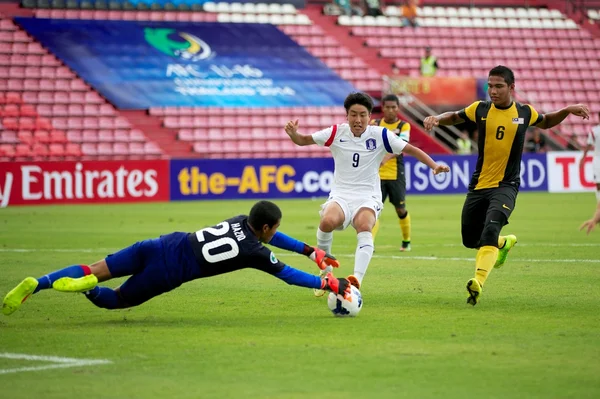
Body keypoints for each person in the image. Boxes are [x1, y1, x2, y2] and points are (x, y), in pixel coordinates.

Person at [423, 65, 590, 306]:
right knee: (470, 240)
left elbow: (546, 121)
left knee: (490, 230)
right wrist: (437, 118)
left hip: (506, 185)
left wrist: (566, 109)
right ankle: (504, 242)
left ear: (511, 88)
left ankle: (478, 282)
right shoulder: (480, 109)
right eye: (490, 86)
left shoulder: (523, 112)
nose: (493, 91)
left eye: (499, 86)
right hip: (479, 185)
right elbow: (456, 116)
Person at [2, 201, 351, 316]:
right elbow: (288, 274)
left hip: (160, 244)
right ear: (264, 227)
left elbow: (278, 241)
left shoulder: (236, 220)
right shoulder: (255, 252)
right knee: (116, 300)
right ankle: (86, 290)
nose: (275, 234)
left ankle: (44, 281)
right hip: (169, 272)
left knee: (97, 268)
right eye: (274, 229)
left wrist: (310, 250)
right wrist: (325, 281)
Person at [284, 92, 450, 293]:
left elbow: (411, 149)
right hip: (341, 194)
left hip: (368, 195)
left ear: (370, 116)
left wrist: (434, 165)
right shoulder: (336, 132)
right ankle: (326, 273)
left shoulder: (380, 135)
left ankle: (356, 280)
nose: (358, 119)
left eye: (363, 114)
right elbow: (303, 140)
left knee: (364, 225)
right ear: (347, 115)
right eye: (353, 114)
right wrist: (293, 134)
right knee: (326, 222)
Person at [370, 94, 413, 252]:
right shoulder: (374, 124)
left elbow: (402, 145)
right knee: (373, 210)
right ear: (382, 108)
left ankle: (406, 241)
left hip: (395, 174)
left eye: (393, 107)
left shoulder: (403, 125)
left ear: (398, 108)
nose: (390, 110)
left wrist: (385, 158)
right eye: (387, 107)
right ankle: (370, 243)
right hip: (377, 175)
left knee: (400, 209)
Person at [579, 117, 600, 206]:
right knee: (598, 184)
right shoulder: (594, 131)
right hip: (598, 159)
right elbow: (588, 145)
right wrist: (583, 157)